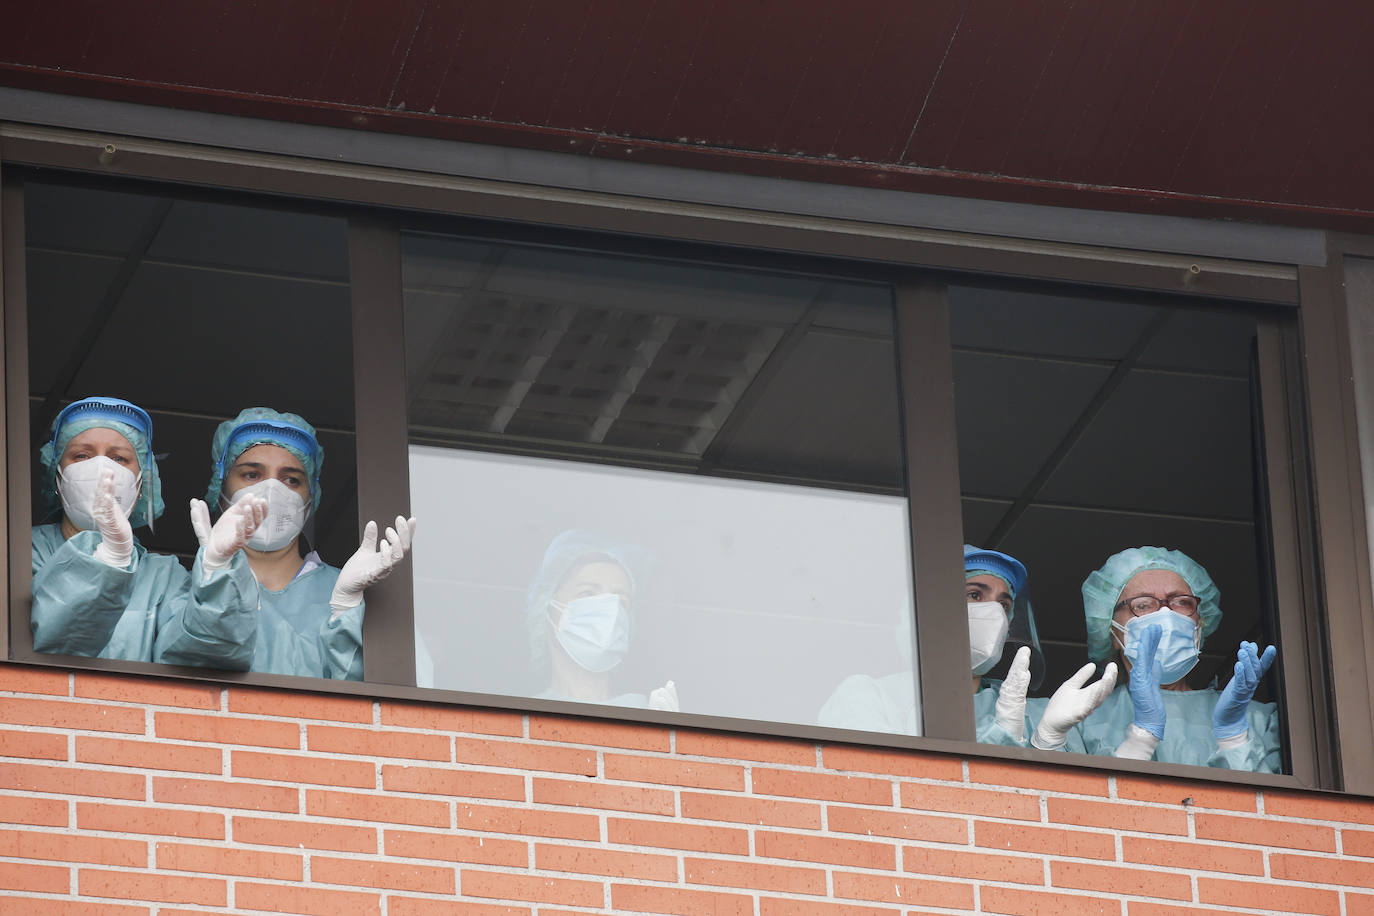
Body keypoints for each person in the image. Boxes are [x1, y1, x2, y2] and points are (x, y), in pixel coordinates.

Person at [31, 396, 265, 667]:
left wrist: (218, 573)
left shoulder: (164, 578)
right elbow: (49, 648)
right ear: (57, 475)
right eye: (82, 456)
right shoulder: (21, 552)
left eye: (119, 458)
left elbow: (203, 661)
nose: (102, 469)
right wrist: (110, 558)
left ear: (141, 484)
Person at [818, 545, 1115, 745]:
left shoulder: (1033, 713)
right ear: (931, 607)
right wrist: (1001, 735)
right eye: (974, 595)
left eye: (1004, 604)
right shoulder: (869, 697)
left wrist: (1047, 741)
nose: (994, 612)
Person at [197, 407, 415, 680]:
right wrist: (214, 576)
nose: (272, 491)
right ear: (220, 488)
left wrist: (345, 608)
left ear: (311, 498)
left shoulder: (349, 591)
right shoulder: (194, 590)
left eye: (291, 480)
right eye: (252, 475)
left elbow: (392, 693)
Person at [1060, 546, 1280, 772]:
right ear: (1112, 631)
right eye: (1142, 604)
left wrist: (1233, 738)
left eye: (1181, 602)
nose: (1165, 613)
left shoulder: (1261, 721)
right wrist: (1139, 742)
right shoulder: (1077, 720)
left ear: (1200, 622)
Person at [524, 529, 676, 710]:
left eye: (621, 601)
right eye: (587, 593)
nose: (608, 610)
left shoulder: (646, 712)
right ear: (547, 606)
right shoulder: (524, 715)